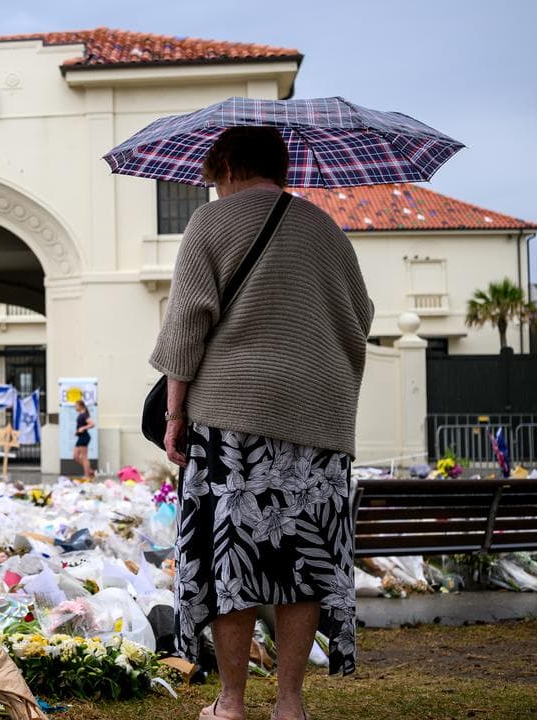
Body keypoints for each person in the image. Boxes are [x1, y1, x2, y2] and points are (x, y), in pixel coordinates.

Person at [150, 126, 373, 720]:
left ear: (224, 165)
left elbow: (184, 331)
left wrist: (175, 416)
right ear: (282, 165)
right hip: (318, 419)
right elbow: (362, 313)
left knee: (234, 562)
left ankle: (230, 703)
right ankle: (291, 702)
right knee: (304, 560)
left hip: (233, 418)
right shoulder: (326, 228)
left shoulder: (209, 224)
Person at [72, 399, 95, 480]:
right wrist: (77, 431)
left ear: (80, 406)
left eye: (76, 406)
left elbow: (92, 424)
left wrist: (83, 428)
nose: (75, 407)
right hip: (81, 437)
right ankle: (89, 471)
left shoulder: (84, 415)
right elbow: (81, 426)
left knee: (84, 457)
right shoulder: (81, 415)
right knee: (75, 456)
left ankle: (87, 475)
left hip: (84, 437)